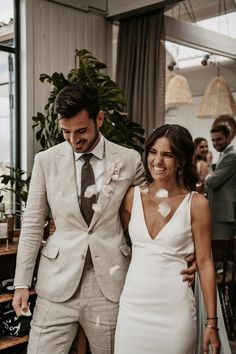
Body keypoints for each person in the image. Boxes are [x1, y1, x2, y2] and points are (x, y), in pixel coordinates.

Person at [12, 82, 195, 354]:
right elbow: (32, 224)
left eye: (81, 131)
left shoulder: (129, 159)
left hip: (110, 284)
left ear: (99, 119)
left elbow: (156, 207)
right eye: (66, 132)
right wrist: (21, 283)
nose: (74, 140)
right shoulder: (45, 161)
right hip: (56, 284)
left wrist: (182, 252)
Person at [114, 124, 221, 354]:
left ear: (181, 159)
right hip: (133, 310)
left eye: (167, 154)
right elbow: (108, 241)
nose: (157, 161)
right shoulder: (132, 196)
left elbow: (204, 263)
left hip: (175, 312)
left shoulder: (197, 204)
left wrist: (212, 323)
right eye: (153, 152)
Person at [206, 124, 236, 241]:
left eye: (219, 139)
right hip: (219, 213)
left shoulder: (232, 156)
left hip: (224, 214)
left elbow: (213, 181)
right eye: (213, 140)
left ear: (228, 137)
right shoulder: (223, 155)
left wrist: (208, 169)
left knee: (220, 252)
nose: (215, 143)